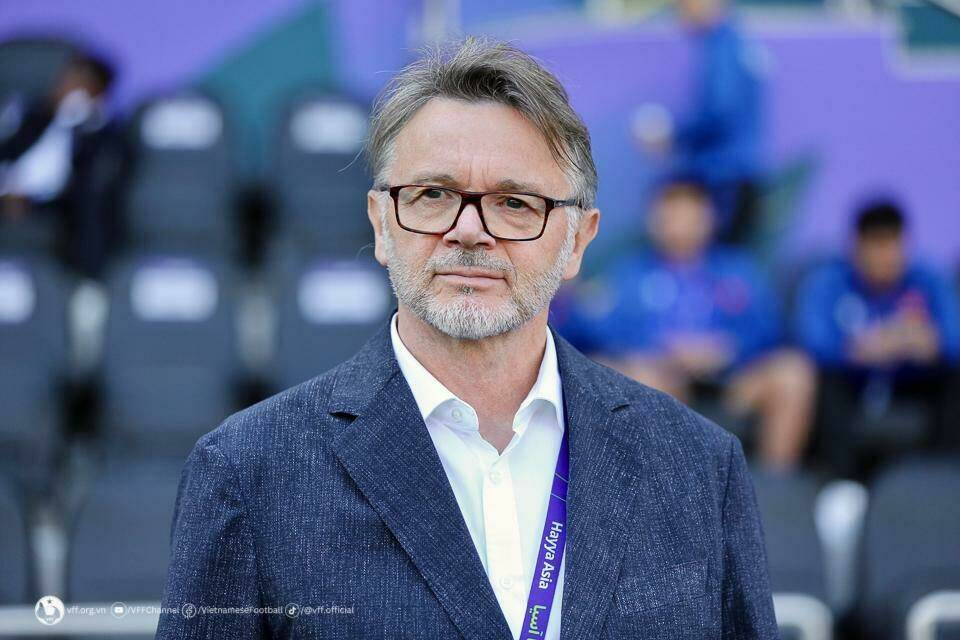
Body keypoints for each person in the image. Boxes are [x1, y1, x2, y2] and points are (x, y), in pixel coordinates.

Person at [157, 38, 779, 640]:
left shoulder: (698, 467)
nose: (469, 230)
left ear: (578, 242)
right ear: (380, 225)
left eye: (515, 202)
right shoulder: (248, 471)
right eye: (433, 194)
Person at [557, 177, 815, 472]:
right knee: (637, 377)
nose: (681, 225)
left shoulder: (738, 270)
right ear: (654, 220)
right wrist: (662, 351)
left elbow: (770, 328)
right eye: (672, 214)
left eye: (690, 214)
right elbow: (595, 331)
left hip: (733, 384)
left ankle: (775, 484)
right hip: (662, 381)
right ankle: (665, 486)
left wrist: (729, 348)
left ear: (710, 219)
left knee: (792, 373)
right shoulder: (628, 274)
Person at [795, 200, 960, 472]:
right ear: (856, 247)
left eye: (893, 245)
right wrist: (857, 349)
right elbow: (811, 344)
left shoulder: (929, 280)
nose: (886, 256)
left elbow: (952, 342)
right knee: (822, 379)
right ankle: (839, 479)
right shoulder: (827, 282)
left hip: (911, 381)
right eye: (877, 245)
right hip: (852, 382)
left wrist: (930, 344)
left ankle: (942, 475)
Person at [634, 0, 766, 244]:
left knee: (719, 256)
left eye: (684, 5)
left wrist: (673, 136)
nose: (680, 14)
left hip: (725, 176)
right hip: (739, 173)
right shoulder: (737, 43)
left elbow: (721, 111)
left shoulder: (723, 47)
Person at [0, 48, 125, 278]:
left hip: (54, 205)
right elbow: (8, 154)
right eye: (65, 79)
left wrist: (79, 121)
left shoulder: (103, 133)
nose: (64, 86)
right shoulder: (33, 117)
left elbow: (80, 183)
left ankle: (86, 282)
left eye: (78, 82)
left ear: (96, 91)